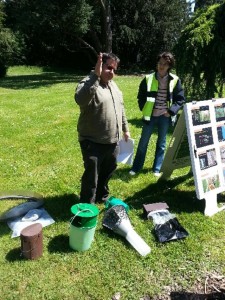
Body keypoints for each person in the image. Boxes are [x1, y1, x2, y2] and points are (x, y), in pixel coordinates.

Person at [75, 52, 130, 203]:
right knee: (92, 175)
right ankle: (87, 203)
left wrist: (125, 129)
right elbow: (81, 99)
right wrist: (95, 75)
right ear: (100, 65)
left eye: (114, 69)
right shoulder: (88, 82)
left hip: (112, 141)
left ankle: (102, 196)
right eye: (108, 67)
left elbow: (121, 108)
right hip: (92, 141)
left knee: (107, 172)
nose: (111, 72)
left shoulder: (113, 85)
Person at [129, 52, 185, 177]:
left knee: (161, 143)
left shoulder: (175, 80)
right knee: (143, 143)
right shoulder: (148, 78)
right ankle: (136, 168)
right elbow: (141, 96)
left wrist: (170, 112)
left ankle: (156, 168)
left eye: (165, 64)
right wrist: (144, 109)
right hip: (150, 116)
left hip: (164, 117)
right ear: (156, 64)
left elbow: (180, 99)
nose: (161, 66)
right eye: (160, 63)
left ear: (169, 66)